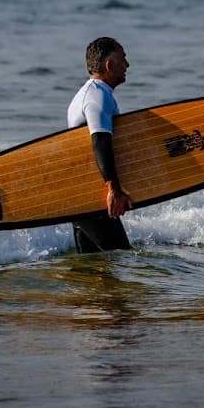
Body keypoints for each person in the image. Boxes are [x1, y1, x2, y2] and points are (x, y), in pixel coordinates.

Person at [66, 37, 134, 252]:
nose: (127, 65)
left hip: (81, 192)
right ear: (109, 65)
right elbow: (100, 141)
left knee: (93, 266)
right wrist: (113, 189)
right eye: (123, 59)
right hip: (90, 193)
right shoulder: (97, 95)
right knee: (119, 254)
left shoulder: (93, 93)